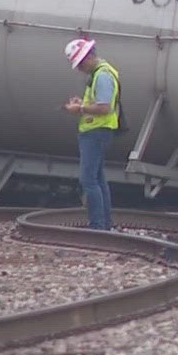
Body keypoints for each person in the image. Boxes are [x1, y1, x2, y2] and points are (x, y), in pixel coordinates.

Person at [62, 38, 120, 231]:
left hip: (96, 133)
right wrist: (83, 105)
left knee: (88, 180)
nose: (79, 69)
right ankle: (104, 224)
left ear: (88, 58)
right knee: (98, 179)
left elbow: (104, 107)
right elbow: (100, 103)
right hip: (98, 132)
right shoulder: (100, 74)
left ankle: (98, 226)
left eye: (79, 64)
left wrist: (79, 109)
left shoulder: (102, 75)